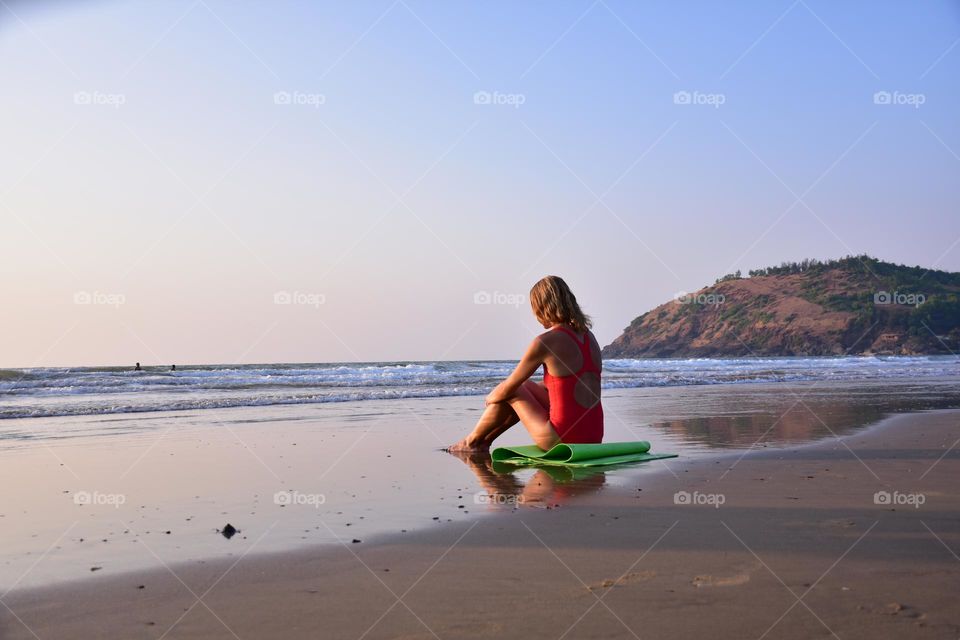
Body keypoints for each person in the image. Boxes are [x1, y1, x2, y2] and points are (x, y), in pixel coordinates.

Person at [448, 275, 603, 452]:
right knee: (531, 386)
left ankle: (470, 442)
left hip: (561, 440)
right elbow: (568, 384)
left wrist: (490, 398)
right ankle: (483, 442)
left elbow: (509, 387)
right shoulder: (589, 338)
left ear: (543, 307)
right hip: (594, 437)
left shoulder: (545, 342)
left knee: (515, 390)